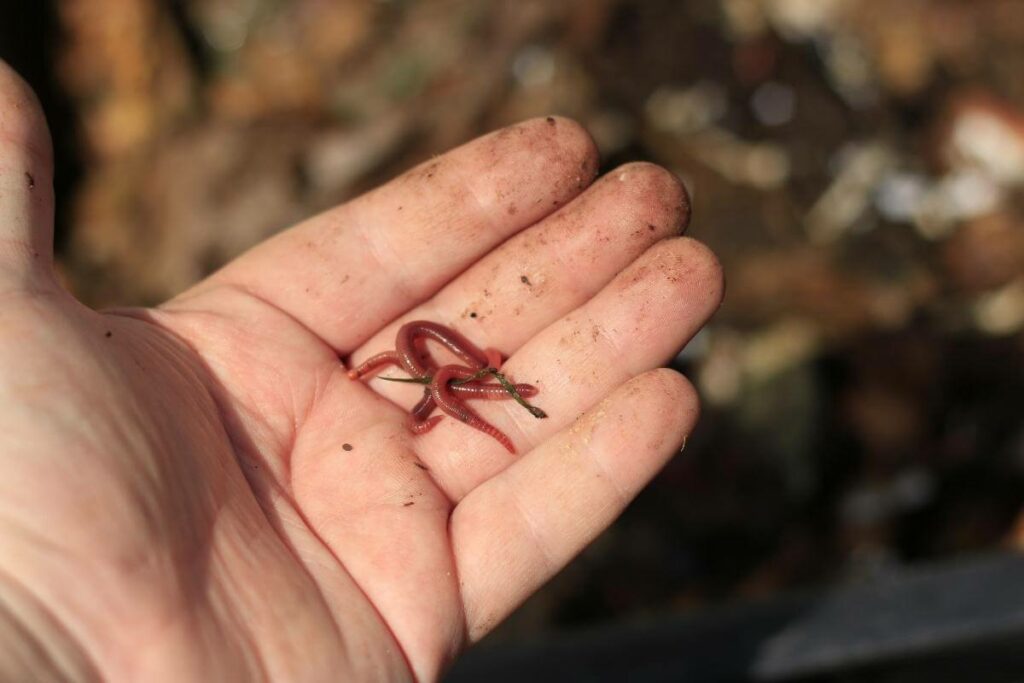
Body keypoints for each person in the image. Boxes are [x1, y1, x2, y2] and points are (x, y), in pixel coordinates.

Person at [0, 60, 723, 681]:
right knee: (454, 372)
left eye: (442, 401)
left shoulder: (448, 376)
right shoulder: (438, 379)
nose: (440, 405)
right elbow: (428, 373)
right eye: (436, 406)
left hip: (437, 359)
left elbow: (439, 374)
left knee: (461, 373)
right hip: (429, 359)